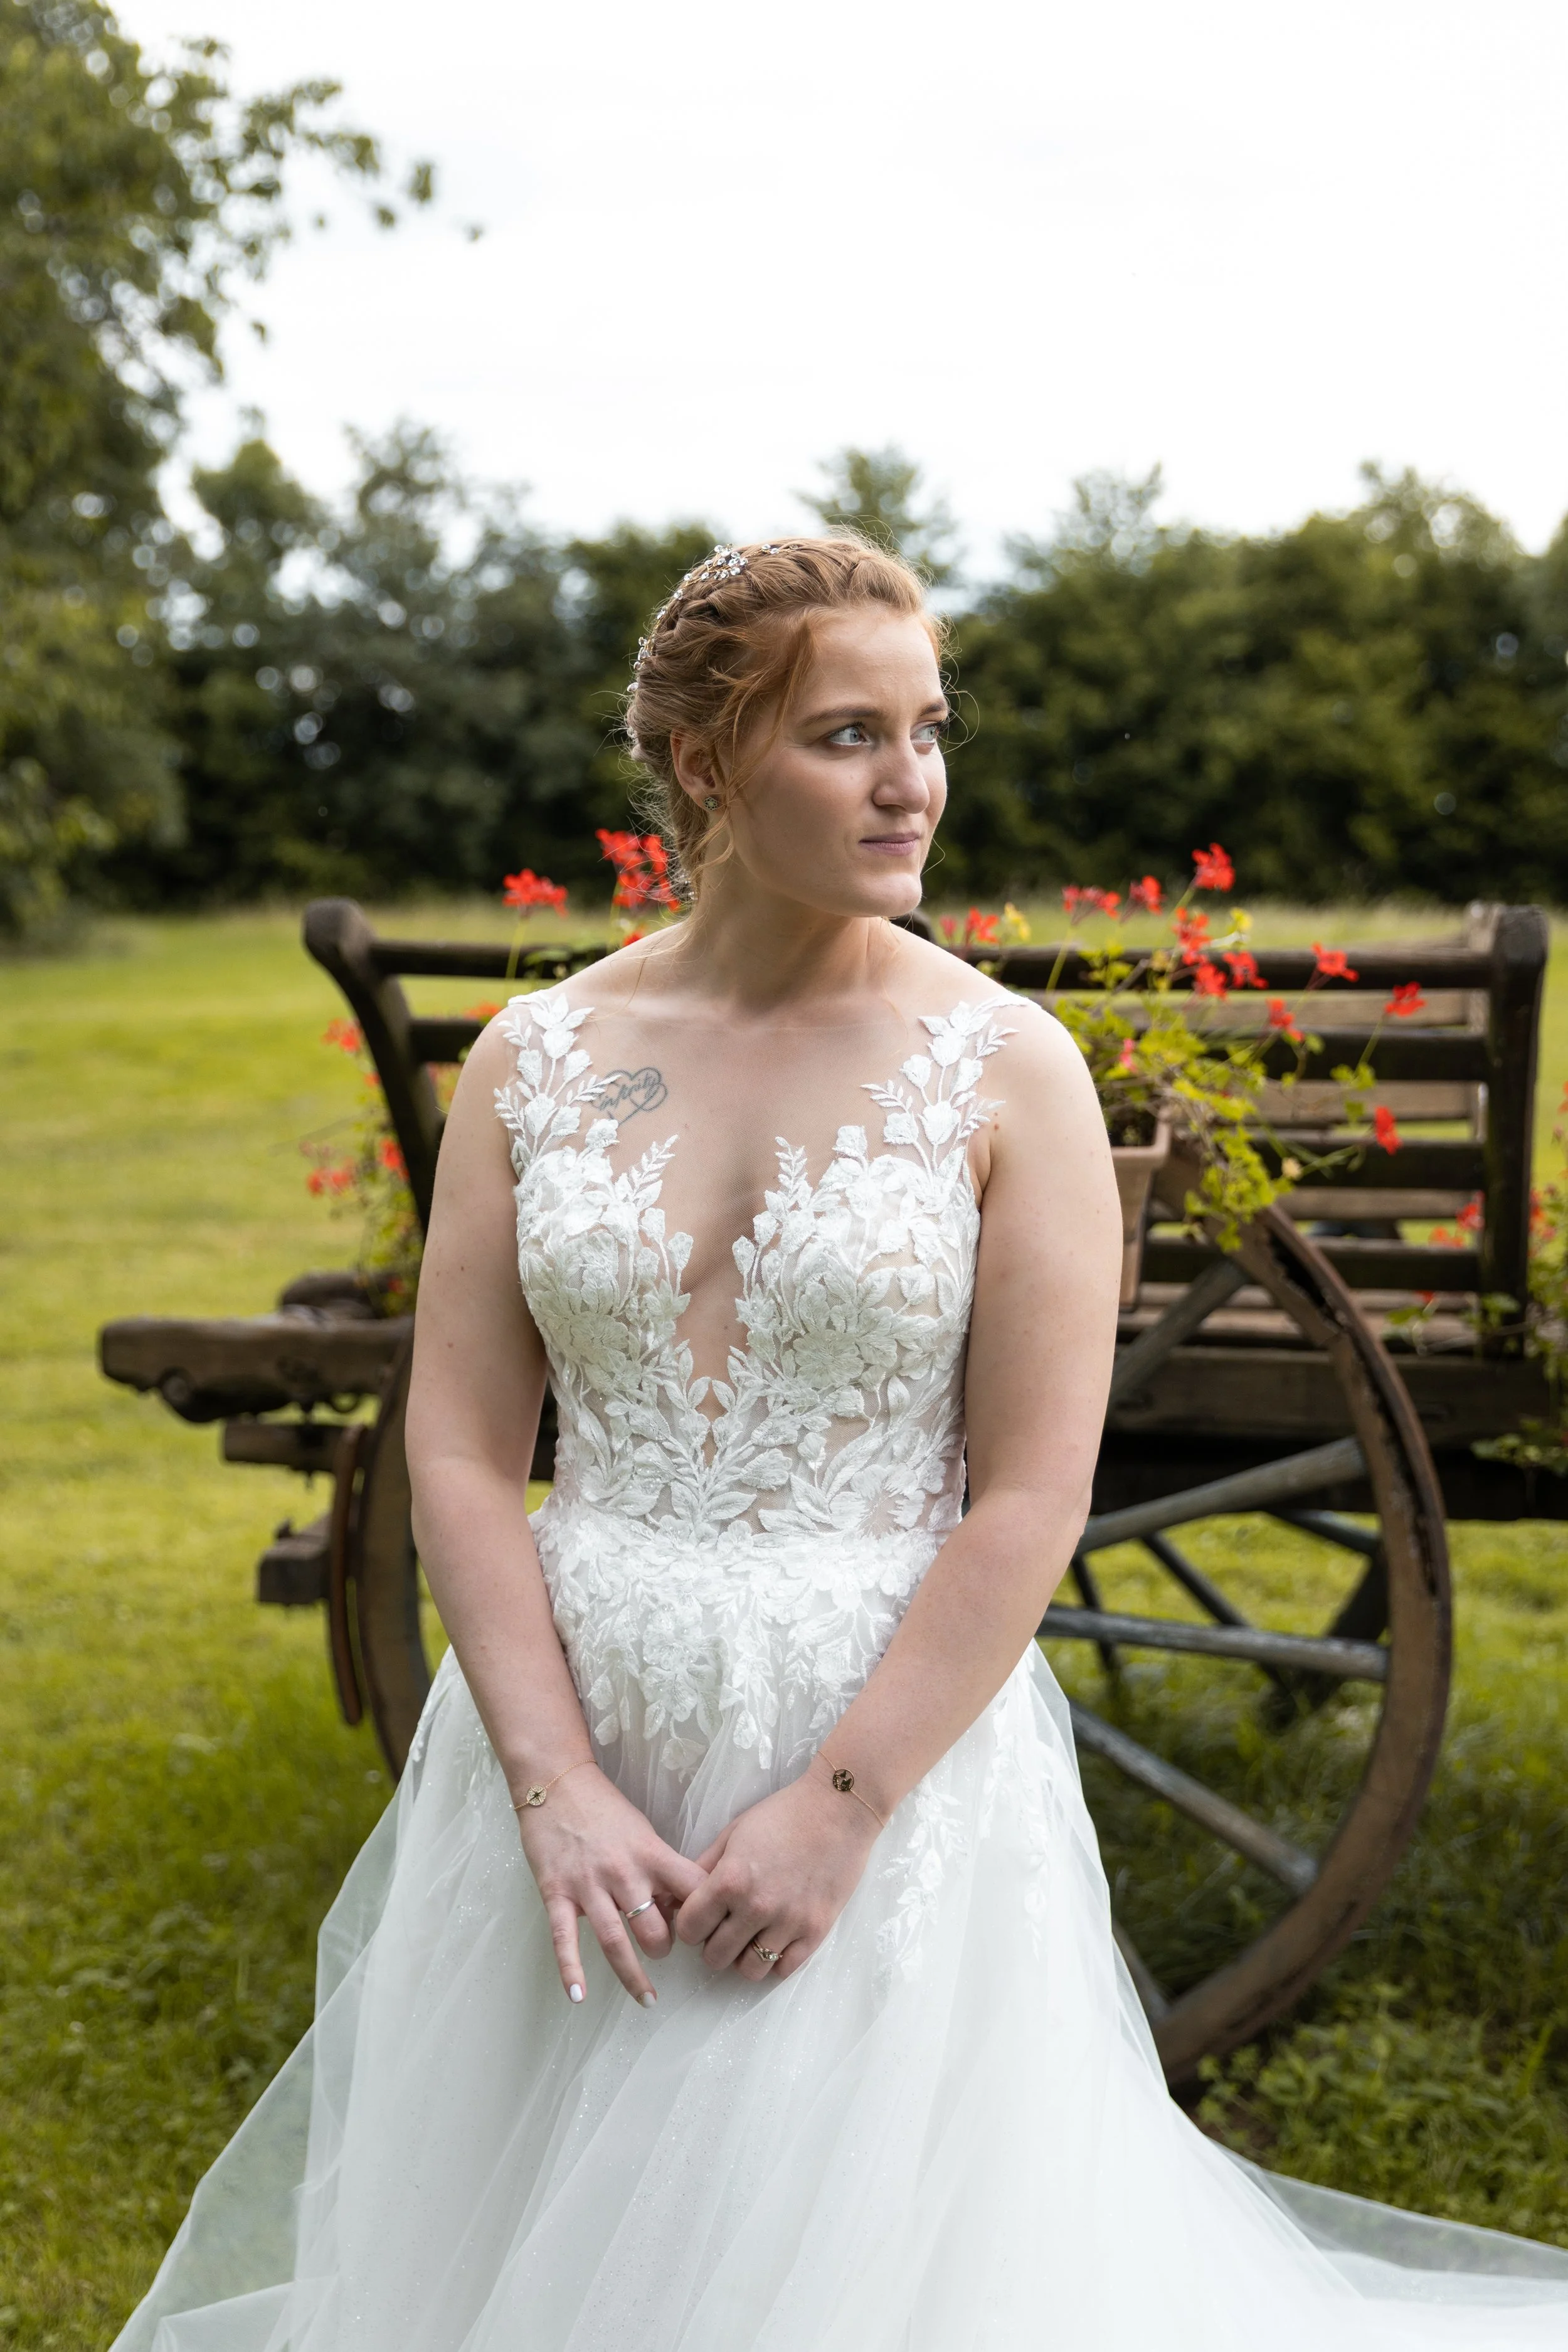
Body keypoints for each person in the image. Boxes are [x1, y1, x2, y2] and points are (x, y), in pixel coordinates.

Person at [115, 538, 1568, 2350]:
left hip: (875, 1730)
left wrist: (840, 1809)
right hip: (577, 1712)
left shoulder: (1006, 1070)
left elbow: (1032, 1490)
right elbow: (467, 1453)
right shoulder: (534, 1061)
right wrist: (553, 1784)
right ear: (706, 762)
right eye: (847, 735)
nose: (912, 783)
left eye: (927, 729)